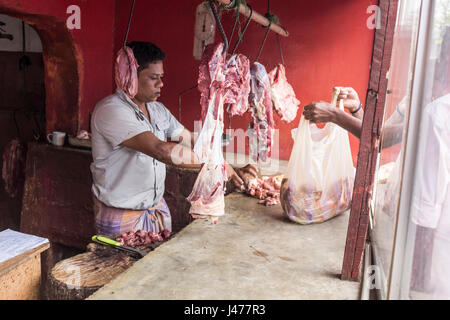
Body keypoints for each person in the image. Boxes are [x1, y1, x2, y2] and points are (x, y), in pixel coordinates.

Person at [90, 41, 257, 236]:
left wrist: (227, 166)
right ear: (130, 76)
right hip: (122, 216)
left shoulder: (157, 110)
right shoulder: (111, 110)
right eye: (153, 78)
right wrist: (216, 167)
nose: (160, 84)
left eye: (161, 77)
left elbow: (193, 141)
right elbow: (163, 151)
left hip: (155, 209)